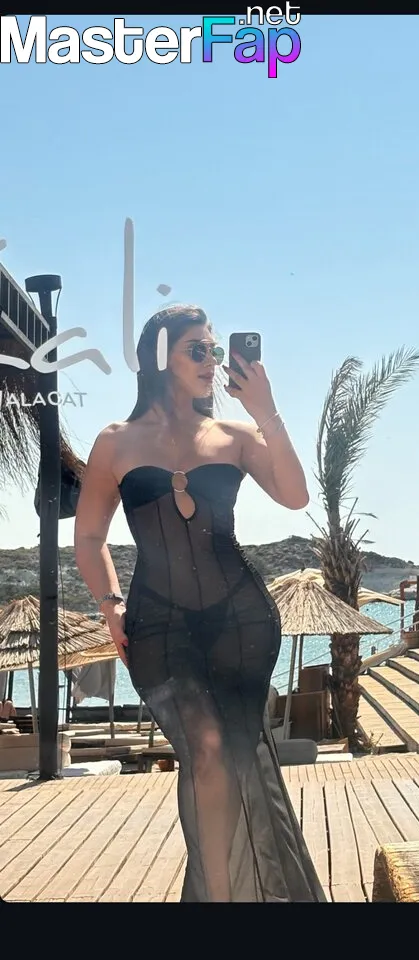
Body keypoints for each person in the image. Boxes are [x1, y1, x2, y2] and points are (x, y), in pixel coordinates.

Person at [74, 303, 326, 903]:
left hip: (241, 620)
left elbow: (295, 496)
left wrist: (265, 411)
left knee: (233, 755)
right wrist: (110, 605)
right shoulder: (115, 441)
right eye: (198, 350)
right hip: (158, 624)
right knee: (207, 750)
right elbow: (88, 536)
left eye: (214, 350)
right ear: (160, 358)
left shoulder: (235, 436)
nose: (211, 361)